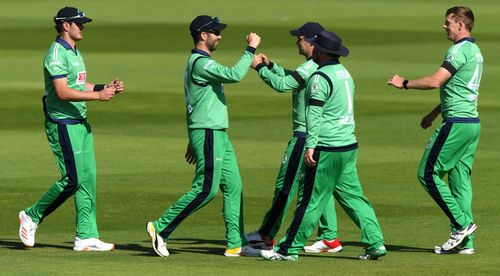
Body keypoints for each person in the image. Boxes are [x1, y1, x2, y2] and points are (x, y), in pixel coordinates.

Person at [261, 30, 386, 261]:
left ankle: (289, 248)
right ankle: (375, 243)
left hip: (326, 147)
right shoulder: (345, 73)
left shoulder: (320, 77)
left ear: (321, 51)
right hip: (348, 145)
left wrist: (310, 145)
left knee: (310, 201)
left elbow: (314, 115)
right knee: (355, 198)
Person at [146, 15, 261, 257]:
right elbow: (234, 75)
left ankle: (235, 243)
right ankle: (161, 227)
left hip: (216, 132)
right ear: (202, 35)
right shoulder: (200, 63)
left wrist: (192, 138)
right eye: (215, 32)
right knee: (206, 189)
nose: (219, 36)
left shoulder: (202, 62)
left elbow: (195, 101)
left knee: (234, 186)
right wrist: (250, 49)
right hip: (208, 132)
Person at [18, 6, 124, 251]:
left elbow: (78, 83)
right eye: (78, 23)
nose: (82, 26)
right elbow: (62, 92)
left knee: (88, 179)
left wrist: (103, 86)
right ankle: (32, 215)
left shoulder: (74, 51)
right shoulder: (56, 54)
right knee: (72, 180)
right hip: (62, 124)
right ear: (65, 25)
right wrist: (99, 96)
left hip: (80, 123)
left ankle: (86, 235)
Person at [387, 6, 481, 254]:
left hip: (457, 125)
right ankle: (465, 243)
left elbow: (435, 81)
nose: (444, 26)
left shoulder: (458, 50)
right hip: (471, 123)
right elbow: (458, 89)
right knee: (460, 182)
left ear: (461, 25)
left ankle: (462, 226)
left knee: (427, 173)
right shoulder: (475, 50)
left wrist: (404, 83)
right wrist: (434, 112)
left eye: (448, 22)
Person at [245, 22, 342, 254]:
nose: (296, 41)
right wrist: (273, 66)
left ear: (310, 41)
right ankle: (330, 237)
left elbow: (285, 84)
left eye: (299, 38)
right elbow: (294, 77)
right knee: (319, 187)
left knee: (285, 186)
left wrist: (259, 68)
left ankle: (266, 235)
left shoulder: (310, 67)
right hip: (318, 137)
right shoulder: (314, 65)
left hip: (303, 136)